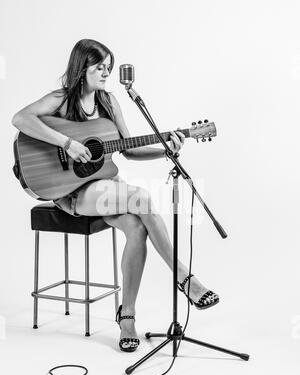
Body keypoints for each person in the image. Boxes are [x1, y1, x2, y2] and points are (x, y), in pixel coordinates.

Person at [12, 39, 219, 353]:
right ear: (82, 68)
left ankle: (127, 318)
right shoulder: (61, 100)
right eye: (100, 66)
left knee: (137, 229)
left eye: (109, 65)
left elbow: (128, 149)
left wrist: (166, 147)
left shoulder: (109, 101)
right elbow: (21, 119)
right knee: (142, 198)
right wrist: (68, 144)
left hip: (105, 187)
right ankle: (183, 277)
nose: (106, 71)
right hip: (71, 193)